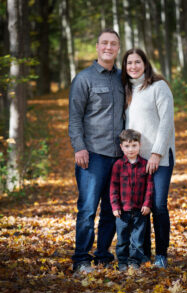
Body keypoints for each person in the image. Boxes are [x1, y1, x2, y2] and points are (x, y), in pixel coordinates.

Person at [68, 29, 124, 274]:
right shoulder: (84, 78)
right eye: (104, 43)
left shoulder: (123, 78)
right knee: (88, 209)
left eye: (113, 44)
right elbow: (74, 118)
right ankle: (81, 259)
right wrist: (79, 147)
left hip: (119, 156)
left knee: (112, 210)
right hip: (93, 155)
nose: (108, 47)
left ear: (118, 48)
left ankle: (103, 255)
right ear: (98, 46)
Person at [122, 48, 175, 269]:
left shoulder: (158, 87)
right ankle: (142, 253)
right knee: (138, 207)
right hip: (136, 160)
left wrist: (156, 153)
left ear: (145, 63)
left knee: (158, 205)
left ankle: (161, 254)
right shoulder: (126, 90)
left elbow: (166, 122)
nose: (133, 66)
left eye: (137, 62)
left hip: (159, 157)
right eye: (129, 63)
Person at [110, 129, 153, 271]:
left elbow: (149, 187)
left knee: (137, 239)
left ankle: (134, 261)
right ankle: (122, 261)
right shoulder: (118, 165)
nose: (131, 149)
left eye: (134, 145)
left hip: (140, 210)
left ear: (139, 145)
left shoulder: (145, 164)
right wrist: (115, 206)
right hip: (122, 211)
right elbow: (113, 187)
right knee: (122, 239)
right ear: (121, 147)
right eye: (127, 146)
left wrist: (147, 204)